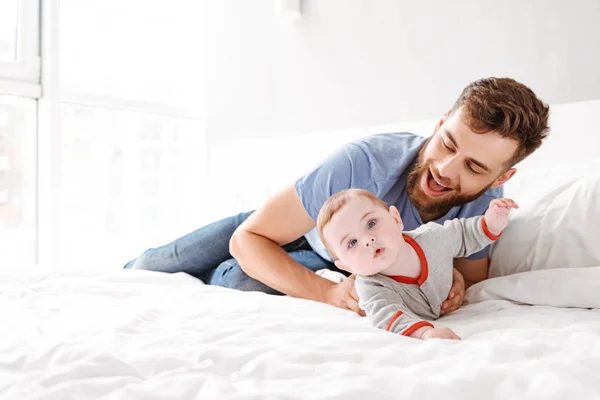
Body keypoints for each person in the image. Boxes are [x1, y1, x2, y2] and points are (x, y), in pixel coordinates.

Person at [124, 77, 549, 316]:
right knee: (149, 266)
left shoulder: (486, 202)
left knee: (239, 281)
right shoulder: (365, 161)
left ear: (501, 176)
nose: (445, 170)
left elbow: (472, 276)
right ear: (440, 124)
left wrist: (452, 281)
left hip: (335, 258)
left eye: (475, 168)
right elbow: (249, 238)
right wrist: (329, 295)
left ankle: (217, 277)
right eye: (448, 144)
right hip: (291, 226)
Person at [317, 188, 517, 340]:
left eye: (371, 224)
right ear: (347, 267)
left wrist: (491, 223)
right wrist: (424, 333)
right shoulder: (370, 287)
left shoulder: (432, 238)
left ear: (395, 219)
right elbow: (387, 317)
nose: (367, 240)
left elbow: (464, 235)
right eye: (352, 243)